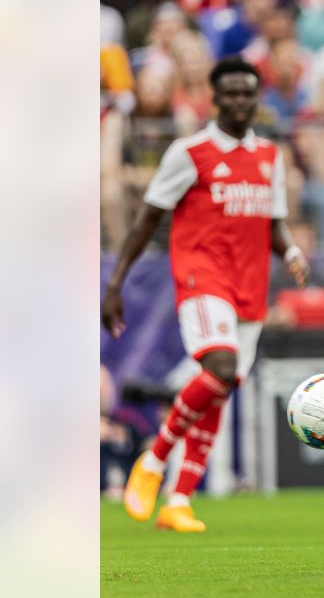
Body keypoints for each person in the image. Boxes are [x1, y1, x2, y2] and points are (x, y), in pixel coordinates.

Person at [102, 57, 309, 533]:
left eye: (247, 93)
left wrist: (292, 249)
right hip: (202, 275)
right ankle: (153, 462)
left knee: (220, 389)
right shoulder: (189, 153)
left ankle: (179, 501)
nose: (239, 101)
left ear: (257, 99)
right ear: (214, 98)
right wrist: (115, 283)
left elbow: (272, 222)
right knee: (218, 367)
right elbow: (148, 218)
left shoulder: (270, 157)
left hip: (250, 284)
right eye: (231, 93)